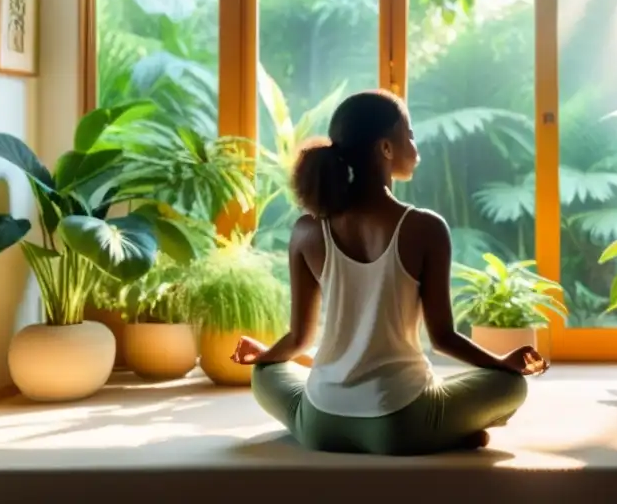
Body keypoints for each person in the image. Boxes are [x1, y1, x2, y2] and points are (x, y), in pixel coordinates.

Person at [231, 89, 549, 456]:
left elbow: (299, 339)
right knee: (511, 387)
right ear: (385, 148)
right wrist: (500, 363)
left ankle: (436, 431)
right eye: (409, 135)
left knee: (265, 375)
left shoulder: (306, 230)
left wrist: (265, 355)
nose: (416, 145)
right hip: (401, 424)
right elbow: (443, 337)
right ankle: (445, 433)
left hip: (320, 421)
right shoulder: (425, 228)